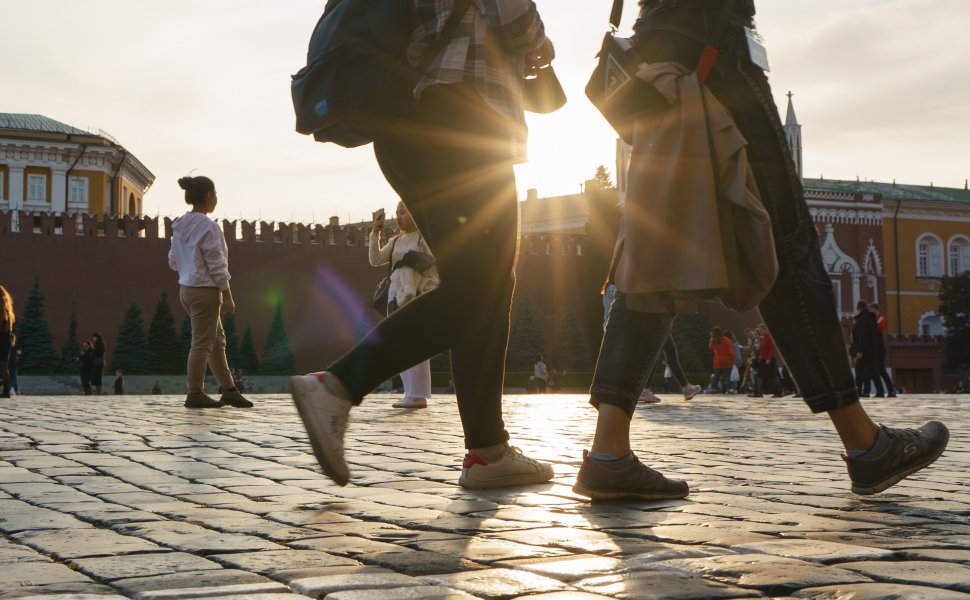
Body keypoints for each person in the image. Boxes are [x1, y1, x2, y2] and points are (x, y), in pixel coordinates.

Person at [572, 0, 948, 501]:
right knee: (785, 242)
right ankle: (864, 443)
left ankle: (608, 453)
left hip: (657, 50)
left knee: (653, 253)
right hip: (713, 44)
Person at [290, 0, 556, 489]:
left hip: (407, 122)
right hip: (462, 118)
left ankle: (488, 451)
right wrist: (540, 42)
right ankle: (339, 385)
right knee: (482, 287)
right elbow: (512, 16)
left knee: (482, 286)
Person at [168, 175, 252, 409]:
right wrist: (228, 296)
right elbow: (217, 263)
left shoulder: (179, 225)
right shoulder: (209, 226)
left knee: (216, 341)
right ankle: (194, 392)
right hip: (205, 291)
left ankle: (229, 390)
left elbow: (173, 261)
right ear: (208, 196)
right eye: (215, 194)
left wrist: (189, 265)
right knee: (202, 343)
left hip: (186, 289)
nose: (216, 198)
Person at [369, 201, 439, 409]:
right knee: (399, 342)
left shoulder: (422, 238)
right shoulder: (397, 240)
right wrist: (375, 235)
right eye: (397, 213)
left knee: (415, 342)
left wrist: (414, 264)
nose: (399, 217)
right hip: (395, 294)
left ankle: (418, 395)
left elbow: (435, 263)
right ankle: (411, 393)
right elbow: (375, 260)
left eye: (403, 212)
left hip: (416, 293)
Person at [851, 299, 884, 398]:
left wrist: (860, 350)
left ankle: (860, 392)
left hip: (864, 351)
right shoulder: (870, 319)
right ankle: (879, 391)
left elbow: (863, 336)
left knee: (861, 372)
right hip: (870, 350)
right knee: (870, 371)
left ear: (858, 308)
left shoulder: (863, 319)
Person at [869, 302, 896, 397]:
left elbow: (879, 330)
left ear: (876, 310)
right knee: (878, 371)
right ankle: (883, 391)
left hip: (879, 350)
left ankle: (890, 391)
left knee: (881, 371)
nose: (870, 311)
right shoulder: (874, 319)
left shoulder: (880, 319)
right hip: (876, 350)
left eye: (871, 310)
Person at [707, 326, 735, 394]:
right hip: (727, 360)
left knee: (716, 376)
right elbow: (730, 351)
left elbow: (710, 347)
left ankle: (713, 388)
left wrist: (712, 337)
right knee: (728, 376)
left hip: (718, 361)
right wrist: (733, 360)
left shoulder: (713, 341)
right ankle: (729, 389)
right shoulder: (726, 339)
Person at [0, 285, 14, 399]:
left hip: (2, 338)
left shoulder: (1, 309)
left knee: (3, 367)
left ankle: (6, 392)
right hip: (5, 338)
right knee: (3, 366)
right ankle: (6, 391)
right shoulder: (7, 310)